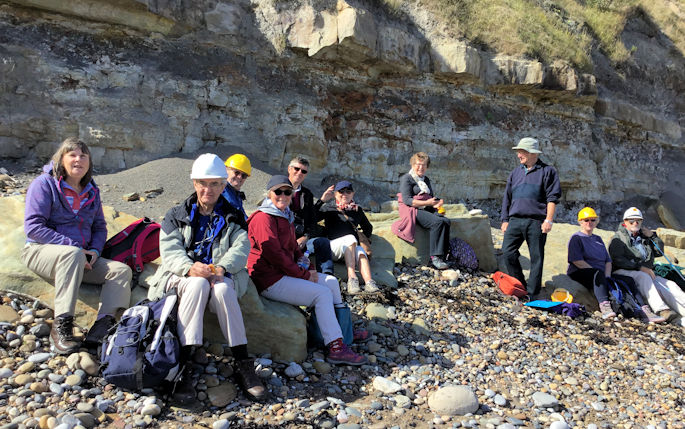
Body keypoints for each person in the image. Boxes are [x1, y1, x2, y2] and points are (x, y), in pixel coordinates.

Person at [148, 153, 265, 404]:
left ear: (223, 186)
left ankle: (242, 362)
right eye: (202, 183)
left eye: (214, 184)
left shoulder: (234, 215)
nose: (207, 189)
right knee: (198, 283)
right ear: (194, 184)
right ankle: (185, 364)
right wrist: (191, 268)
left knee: (222, 290)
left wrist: (221, 267)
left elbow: (241, 247)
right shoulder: (176, 214)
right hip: (183, 275)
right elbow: (170, 252)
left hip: (219, 273)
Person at [22, 137, 132, 354]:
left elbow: (100, 227)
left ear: (89, 162)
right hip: (40, 251)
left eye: (83, 155)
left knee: (121, 271)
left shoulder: (91, 190)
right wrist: (74, 248)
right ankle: (61, 328)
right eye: (72, 154)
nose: (78, 160)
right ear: (61, 159)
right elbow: (33, 227)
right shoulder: (44, 184)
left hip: (78, 258)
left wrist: (94, 252)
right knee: (71, 255)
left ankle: (101, 330)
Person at [247, 175, 368, 366]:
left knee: (331, 282)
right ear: (269, 194)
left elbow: (294, 249)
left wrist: (309, 268)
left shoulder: (284, 215)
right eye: (278, 191)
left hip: (283, 273)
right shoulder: (263, 218)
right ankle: (335, 347)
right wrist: (303, 275)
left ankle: (344, 333)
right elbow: (274, 254)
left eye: (287, 192)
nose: (283, 195)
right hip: (269, 279)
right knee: (321, 294)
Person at [567, 207, 664, 322]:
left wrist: (607, 276)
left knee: (628, 280)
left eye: (592, 220)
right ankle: (605, 307)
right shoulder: (576, 238)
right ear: (580, 222)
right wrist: (600, 275)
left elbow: (608, 261)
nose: (589, 223)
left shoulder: (597, 239)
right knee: (597, 274)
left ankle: (643, 310)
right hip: (580, 272)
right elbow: (577, 261)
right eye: (586, 220)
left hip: (601, 274)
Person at [501, 137, 561, 297]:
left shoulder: (548, 171)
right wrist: (505, 219)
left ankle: (532, 294)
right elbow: (507, 197)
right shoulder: (515, 172)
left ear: (533, 153)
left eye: (522, 152)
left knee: (537, 258)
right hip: (515, 220)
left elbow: (552, 198)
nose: (519, 155)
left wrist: (548, 220)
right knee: (507, 252)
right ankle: (520, 285)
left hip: (536, 222)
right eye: (518, 152)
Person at [609, 207, 685, 324]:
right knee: (643, 277)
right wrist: (639, 267)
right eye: (632, 221)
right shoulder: (618, 238)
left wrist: (653, 236)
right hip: (623, 271)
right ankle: (661, 310)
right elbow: (618, 260)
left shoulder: (644, 237)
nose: (635, 223)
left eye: (638, 221)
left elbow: (659, 252)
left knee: (670, 285)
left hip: (645, 272)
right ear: (625, 222)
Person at [319, 180, 378, 294]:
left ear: (353, 194)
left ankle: (369, 282)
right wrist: (322, 200)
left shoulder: (357, 210)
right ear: (335, 194)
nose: (344, 194)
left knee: (360, 251)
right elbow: (313, 218)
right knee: (350, 238)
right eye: (341, 191)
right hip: (333, 248)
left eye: (348, 191)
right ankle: (352, 279)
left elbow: (368, 228)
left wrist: (361, 237)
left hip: (350, 250)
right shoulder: (329, 208)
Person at [397, 152, 451, 270]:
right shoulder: (407, 178)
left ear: (427, 167)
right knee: (437, 222)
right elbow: (407, 200)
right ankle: (435, 257)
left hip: (425, 207)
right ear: (412, 164)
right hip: (411, 210)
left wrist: (437, 203)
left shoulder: (426, 180)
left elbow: (430, 197)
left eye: (424, 165)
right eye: (418, 164)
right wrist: (427, 203)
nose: (420, 167)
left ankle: (444, 255)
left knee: (446, 221)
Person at [287, 156, 334, 275]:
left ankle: (327, 276)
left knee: (323, 242)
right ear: (289, 169)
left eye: (303, 171)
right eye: (296, 169)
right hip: (284, 239)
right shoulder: (278, 189)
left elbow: (312, 218)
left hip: (301, 239)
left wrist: (306, 236)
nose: (299, 173)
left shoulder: (307, 194)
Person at [222, 153, 251, 220]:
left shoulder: (235, 194)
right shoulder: (221, 191)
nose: (240, 177)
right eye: (236, 172)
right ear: (226, 170)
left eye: (244, 175)